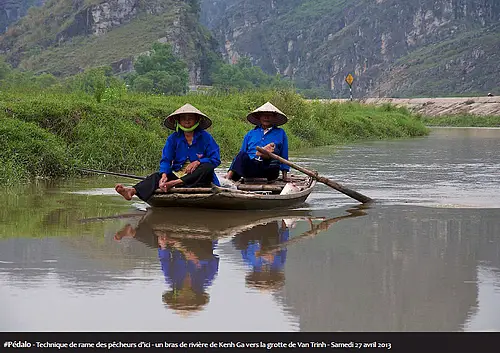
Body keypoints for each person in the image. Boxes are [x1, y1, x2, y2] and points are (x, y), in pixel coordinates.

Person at [115, 103, 221, 202]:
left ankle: (173, 183)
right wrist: (164, 175)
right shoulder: (173, 139)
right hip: (179, 175)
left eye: (190, 118)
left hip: (199, 179)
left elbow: (215, 159)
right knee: (157, 176)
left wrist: (198, 162)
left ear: (196, 120)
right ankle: (131, 191)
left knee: (207, 166)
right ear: (178, 121)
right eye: (183, 118)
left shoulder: (206, 137)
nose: (187, 121)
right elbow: (166, 160)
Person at [225, 102, 290, 182]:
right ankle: (228, 178)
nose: (266, 117)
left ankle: (266, 153)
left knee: (273, 151)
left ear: (274, 118)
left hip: (269, 169)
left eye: (269, 115)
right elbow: (240, 156)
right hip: (251, 168)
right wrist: (230, 171)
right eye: (264, 115)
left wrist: (285, 176)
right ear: (259, 117)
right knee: (242, 154)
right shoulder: (250, 134)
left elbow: (284, 155)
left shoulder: (281, 133)